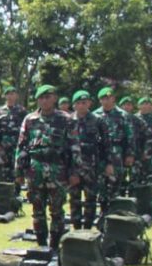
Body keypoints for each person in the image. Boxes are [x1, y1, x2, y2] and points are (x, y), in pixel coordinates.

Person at [14, 85, 81, 248]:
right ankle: (41, 243)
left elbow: (75, 147)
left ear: (55, 98)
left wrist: (75, 172)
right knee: (37, 209)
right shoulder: (30, 120)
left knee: (57, 210)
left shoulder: (67, 119)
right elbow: (21, 146)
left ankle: (55, 244)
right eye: (41, 98)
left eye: (47, 97)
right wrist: (18, 171)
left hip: (57, 169)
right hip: (34, 169)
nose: (44, 101)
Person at [92, 87, 133, 225]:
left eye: (108, 98)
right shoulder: (95, 115)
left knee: (115, 185)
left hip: (117, 153)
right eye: (103, 98)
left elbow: (130, 136)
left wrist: (129, 154)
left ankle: (114, 217)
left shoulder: (123, 115)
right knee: (101, 186)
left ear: (113, 99)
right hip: (100, 155)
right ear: (100, 100)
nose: (106, 101)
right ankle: (103, 214)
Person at [70, 91, 108, 229]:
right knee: (74, 199)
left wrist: (107, 163)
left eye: (84, 103)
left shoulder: (98, 121)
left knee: (90, 199)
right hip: (73, 167)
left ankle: (87, 227)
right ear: (74, 105)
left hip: (92, 166)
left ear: (90, 103)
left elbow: (106, 144)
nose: (81, 105)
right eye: (78, 103)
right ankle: (75, 227)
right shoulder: (68, 120)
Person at [0, 87, 28, 183]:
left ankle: (16, 192)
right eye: (8, 94)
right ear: (5, 96)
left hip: (17, 144)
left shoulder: (22, 110)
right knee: (5, 168)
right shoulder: (0, 110)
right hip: (4, 145)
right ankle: (7, 191)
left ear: (16, 96)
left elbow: (26, 128)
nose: (10, 96)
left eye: (12, 94)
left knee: (16, 168)